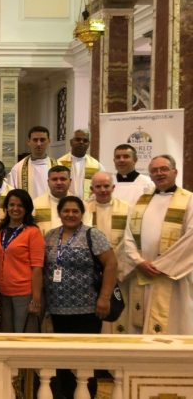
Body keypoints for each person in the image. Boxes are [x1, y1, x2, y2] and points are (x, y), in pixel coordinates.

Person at [43, 196, 117, 397]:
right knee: (62, 361)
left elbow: (111, 264)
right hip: (57, 310)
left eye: (75, 211)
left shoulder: (93, 235)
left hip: (87, 310)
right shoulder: (50, 236)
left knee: (85, 360)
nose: (70, 214)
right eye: (66, 211)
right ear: (59, 213)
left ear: (82, 213)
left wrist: (104, 297)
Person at [123, 155, 193, 334]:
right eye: (154, 170)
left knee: (172, 325)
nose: (159, 173)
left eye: (164, 169)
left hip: (174, 276)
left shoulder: (189, 200)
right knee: (140, 323)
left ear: (175, 172)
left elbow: (190, 238)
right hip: (142, 272)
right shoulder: (141, 201)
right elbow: (128, 235)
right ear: (150, 175)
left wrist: (162, 266)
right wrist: (138, 261)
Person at [0, 189, 44, 332]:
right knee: (6, 333)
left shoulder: (33, 232)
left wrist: (36, 298)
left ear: (27, 208)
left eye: (20, 205)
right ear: (6, 207)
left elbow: (37, 267)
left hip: (24, 292)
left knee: (23, 334)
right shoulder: (0, 230)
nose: (15, 209)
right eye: (11, 205)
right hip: (2, 291)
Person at [85, 171, 131, 334]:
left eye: (106, 186)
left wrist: (113, 265)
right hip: (93, 274)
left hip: (119, 269)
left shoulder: (126, 208)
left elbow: (129, 239)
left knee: (119, 317)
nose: (103, 190)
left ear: (113, 187)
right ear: (92, 189)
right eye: (98, 187)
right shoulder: (85, 209)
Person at [9, 126, 58, 198]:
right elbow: (12, 196)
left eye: (42, 140)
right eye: (35, 140)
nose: (39, 144)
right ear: (28, 142)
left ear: (49, 141)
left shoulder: (58, 167)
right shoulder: (17, 169)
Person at [58, 129, 104, 200]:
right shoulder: (59, 163)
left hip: (88, 205)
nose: (81, 142)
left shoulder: (97, 166)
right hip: (65, 204)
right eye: (78, 139)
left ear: (88, 144)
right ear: (71, 142)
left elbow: (102, 186)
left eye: (85, 141)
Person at [33, 165, 72, 236]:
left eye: (63, 179)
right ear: (48, 182)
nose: (59, 183)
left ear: (70, 181)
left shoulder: (80, 204)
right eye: (54, 179)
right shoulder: (35, 204)